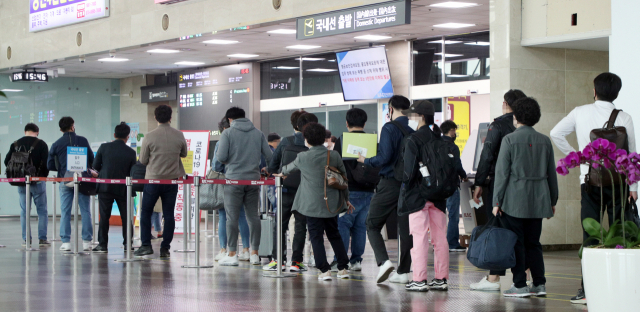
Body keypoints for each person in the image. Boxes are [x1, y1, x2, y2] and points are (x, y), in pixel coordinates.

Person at [550, 72, 637, 304]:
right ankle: (619, 287)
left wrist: (578, 157)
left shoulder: (580, 112)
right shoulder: (625, 117)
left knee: (590, 235)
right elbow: (631, 153)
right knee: (620, 232)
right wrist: (634, 185)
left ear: (594, 90)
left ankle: (587, 290)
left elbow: (555, 133)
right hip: (619, 183)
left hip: (589, 182)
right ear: (616, 93)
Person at [493, 97, 558, 297]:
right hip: (538, 199)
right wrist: (552, 201)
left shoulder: (510, 139)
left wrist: (497, 201)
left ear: (516, 117)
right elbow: (551, 174)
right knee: (534, 243)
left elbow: (502, 173)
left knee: (517, 243)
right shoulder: (545, 140)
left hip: (514, 200)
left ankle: (519, 284)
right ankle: (539, 284)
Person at [275, 122, 353, 280]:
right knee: (334, 234)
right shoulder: (334, 155)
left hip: (311, 205)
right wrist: (346, 200)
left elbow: (287, 169)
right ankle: (343, 268)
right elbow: (344, 181)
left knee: (316, 236)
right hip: (331, 204)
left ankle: (324, 271)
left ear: (306, 139)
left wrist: (279, 174)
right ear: (324, 138)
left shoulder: (303, 157)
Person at [470, 89, 527, 290]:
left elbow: (487, 155)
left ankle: (493, 279)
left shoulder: (498, 125)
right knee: (519, 229)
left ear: (505, 104)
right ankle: (527, 274)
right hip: (522, 185)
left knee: (496, 226)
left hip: (499, 183)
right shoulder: (525, 127)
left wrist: (478, 183)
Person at [357, 95, 415, 284]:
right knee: (405, 229)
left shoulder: (389, 128)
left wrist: (366, 161)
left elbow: (384, 157)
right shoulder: (412, 130)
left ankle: (384, 262)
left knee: (372, 224)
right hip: (410, 185)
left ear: (390, 108)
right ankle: (404, 271)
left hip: (390, 183)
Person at [398, 101, 450, 292]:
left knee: (419, 236)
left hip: (418, 195)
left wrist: (404, 183)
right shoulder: (441, 139)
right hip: (439, 195)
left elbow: (409, 172)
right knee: (440, 238)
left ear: (420, 117)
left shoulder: (413, 139)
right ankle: (441, 278)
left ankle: (419, 279)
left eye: (411, 115)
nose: (409, 119)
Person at [216, 107, 273, 266]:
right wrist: (267, 170)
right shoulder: (258, 133)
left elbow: (221, 157)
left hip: (234, 180)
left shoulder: (227, 133)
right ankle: (254, 253)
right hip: (253, 180)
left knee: (231, 217)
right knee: (253, 216)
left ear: (230, 120)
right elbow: (269, 157)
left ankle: (232, 253)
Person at [263, 111, 316, 272]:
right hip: (305, 191)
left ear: (296, 126)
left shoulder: (286, 141)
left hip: (285, 189)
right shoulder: (314, 143)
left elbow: (273, 166)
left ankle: (278, 260)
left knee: (280, 225)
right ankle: (297, 262)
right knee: (300, 225)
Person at [134, 105, 188, 258]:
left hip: (153, 180)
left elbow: (143, 160)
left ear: (155, 118)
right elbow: (183, 154)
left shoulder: (149, 136)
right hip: (172, 181)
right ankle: (165, 248)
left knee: (146, 212)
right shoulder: (179, 135)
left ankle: (146, 245)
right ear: (171, 117)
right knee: (169, 214)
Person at [331, 108, 376, 271]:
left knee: (343, 224)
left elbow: (334, 167)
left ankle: (340, 260)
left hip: (349, 190)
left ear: (347, 123)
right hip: (369, 190)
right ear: (364, 123)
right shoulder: (372, 141)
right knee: (360, 227)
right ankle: (356, 260)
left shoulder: (342, 140)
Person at [47, 117, 94, 251]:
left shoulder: (57, 144)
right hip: (82, 179)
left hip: (64, 180)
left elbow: (50, 164)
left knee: (65, 211)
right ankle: (86, 242)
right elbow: (91, 159)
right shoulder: (83, 140)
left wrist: (62, 169)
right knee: (85, 211)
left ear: (60, 129)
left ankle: (66, 242)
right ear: (73, 126)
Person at [91, 122, 137, 253]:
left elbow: (95, 166)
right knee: (126, 217)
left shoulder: (104, 147)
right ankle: (128, 244)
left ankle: (102, 245)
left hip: (105, 187)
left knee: (104, 217)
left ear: (114, 134)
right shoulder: (131, 152)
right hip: (123, 189)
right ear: (128, 137)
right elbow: (132, 172)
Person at [212, 118, 252, 262]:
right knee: (242, 215)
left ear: (224, 129)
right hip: (247, 181)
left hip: (227, 181)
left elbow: (216, 166)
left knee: (223, 215)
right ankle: (247, 249)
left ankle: (225, 250)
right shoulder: (248, 140)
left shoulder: (222, 141)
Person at [4, 123, 50, 246]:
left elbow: (6, 161)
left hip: (21, 182)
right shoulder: (41, 144)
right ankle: (42, 239)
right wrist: (42, 177)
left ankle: (26, 239)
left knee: (24, 211)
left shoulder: (15, 144)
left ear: (25, 132)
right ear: (37, 132)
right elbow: (47, 164)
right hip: (38, 181)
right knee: (42, 210)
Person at [440, 120, 468, 252]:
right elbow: (457, 165)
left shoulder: (436, 144)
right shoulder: (452, 146)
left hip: (437, 186)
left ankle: (439, 244)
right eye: (454, 130)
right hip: (450, 185)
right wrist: (463, 175)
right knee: (453, 215)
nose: (455, 133)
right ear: (451, 130)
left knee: (438, 215)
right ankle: (452, 243)